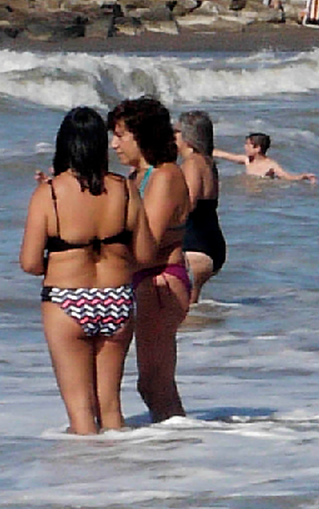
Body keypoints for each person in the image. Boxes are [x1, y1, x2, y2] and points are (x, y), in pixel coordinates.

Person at [19, 107, 155, 434]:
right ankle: (122, 478)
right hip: (117, 299)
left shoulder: (49, 193)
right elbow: (146, 253)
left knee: (81, 416)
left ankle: (87, 483)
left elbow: (30, 263)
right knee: (111, 410)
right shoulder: (124, 189)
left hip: (66, 302)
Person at [109, 97, 191, 422]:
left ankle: (178, 449)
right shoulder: (135, 177)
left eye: (120, 135)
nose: (114, 144)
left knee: (155, 384)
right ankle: (174, 444)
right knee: (152, 384)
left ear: (141, 136)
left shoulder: (165, 176)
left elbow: (148, 243)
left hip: (160, 279)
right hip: (143, 280)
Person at [177, 111, 225, 305]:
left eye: (176, 131)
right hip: (212, 241)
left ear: (188, 136)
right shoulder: (209, 163)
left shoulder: (191, 164)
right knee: (191, 308)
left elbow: (188, 203)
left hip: (194, 245)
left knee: (182, 311)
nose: (172, 136)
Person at [214, 133, 316, 182]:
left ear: (257, 148)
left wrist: (303, 176)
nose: (245, 147)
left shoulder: (270, 165)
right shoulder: (247, 160)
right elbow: (226, 155)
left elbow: (287, 177)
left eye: (248, 145)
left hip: (261, 192)